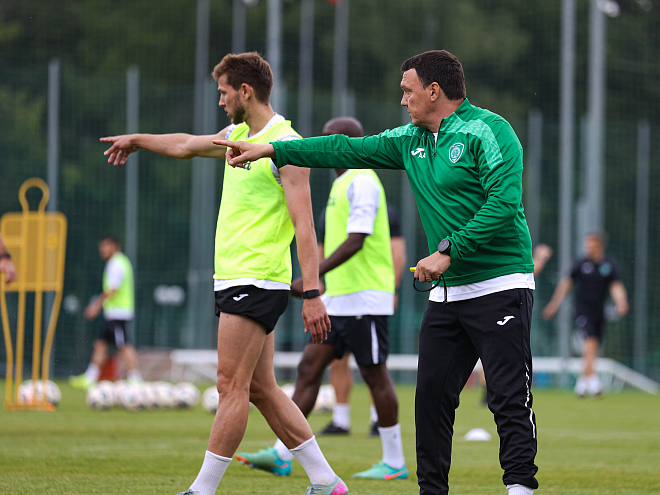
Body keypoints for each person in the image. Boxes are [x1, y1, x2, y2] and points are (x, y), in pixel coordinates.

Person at [217, 49, 539, 495]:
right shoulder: (411, 140)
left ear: (434, 90)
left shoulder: (490, 130)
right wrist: (273, 148)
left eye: (407, 91)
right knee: (430, 401)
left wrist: (448, 251)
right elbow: (343, 147)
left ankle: (520, 489)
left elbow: (504, 203)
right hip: (447, 294)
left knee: (507, 397)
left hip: (501, 285)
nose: (402, 100)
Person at [100, 52, 347, 495]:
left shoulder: (286, 145)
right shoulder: (237, 135)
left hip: (256, 279)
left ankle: (202, 490)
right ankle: (327, 481)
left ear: (245, 92)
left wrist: (313, 294)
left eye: (223, 92)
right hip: (238, 279)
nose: (220, 100)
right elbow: (185, 145)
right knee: (262, 389)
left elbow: (305, 225)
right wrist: (138, 139)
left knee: (229, 385)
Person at [235, 116, 407, 481]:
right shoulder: (342, 182)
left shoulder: (362, 180)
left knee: (374, 374)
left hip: (365, 299)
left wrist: (312, 278)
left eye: (328, 141)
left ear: (344, 143)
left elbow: (356, 240)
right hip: (340, 300)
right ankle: (282, 455)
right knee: (309, 369)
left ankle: (394, 461)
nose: (322, 147)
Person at [318, 202, 406, 437]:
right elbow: (320, 248)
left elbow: (397, 251)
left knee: (374, 364)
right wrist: (318, 284)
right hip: (337, 296)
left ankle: (379, 420)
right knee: (335, 361)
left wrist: (393, 288)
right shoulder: (330, 208)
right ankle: (340, 420)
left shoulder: (384, 209)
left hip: (368, 297)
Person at [542, 231, 628, 396]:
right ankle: (593, 382)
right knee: (590, 343)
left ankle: (583, 382)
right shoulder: (581, 264)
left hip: (600, 313)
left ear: (600, 246)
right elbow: (566, 284)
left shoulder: (609, 265)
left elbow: (616, 286)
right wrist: (554, 304)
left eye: (592, 245)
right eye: (587, 245)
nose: (588, 248)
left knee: (593, 347)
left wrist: (621, 302)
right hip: (582, 311)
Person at [70, 235, 143, 390]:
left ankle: (135, 379)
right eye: (101, 247)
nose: (102, 250)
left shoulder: (116, 263)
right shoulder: (119, 262)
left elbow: (112, 289)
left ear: (115, 246)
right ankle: (90, 377)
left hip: (118, 313)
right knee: (101, 344)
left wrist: (95, 306)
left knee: (123, 346)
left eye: (105, 246)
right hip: (112, 313)